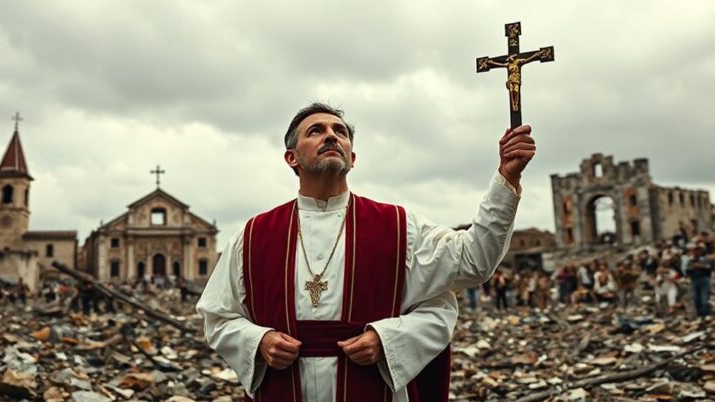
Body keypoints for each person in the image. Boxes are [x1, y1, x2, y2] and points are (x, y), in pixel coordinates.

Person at [196, 103, 533, 402]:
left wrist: (387, 340)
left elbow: (473, 262)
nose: (331, 136)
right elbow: (218, 316)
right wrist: (260, 341)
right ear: (292, 158)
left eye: (339, 132)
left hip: (375, 387)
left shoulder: (399, 227)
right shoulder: (254, 234)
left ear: (352, 158)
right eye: (316, 131)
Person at [686, 243, 712, 317]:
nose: (696, 253)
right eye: (694, 251)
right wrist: (692, 267)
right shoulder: (690, 261)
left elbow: (709, 269)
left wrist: (700, 266)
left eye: (697, 251)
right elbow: (687, 271)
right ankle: (700, 315)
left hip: (704, 279)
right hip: (694, 280)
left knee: (705, 299)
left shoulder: (704, 260)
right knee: (696, 298)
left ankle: (707, 314)